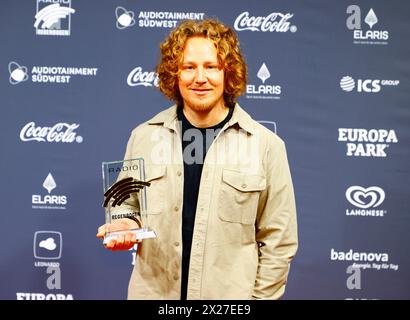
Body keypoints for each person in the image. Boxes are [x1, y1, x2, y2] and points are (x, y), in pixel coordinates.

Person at [97, 18, 298, 300]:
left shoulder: (266, 146)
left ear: (228, 73)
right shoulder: (143, 137)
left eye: (211, 67)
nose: (200, 78)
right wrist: (123, 224)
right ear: (174, 74)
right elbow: (124, 205)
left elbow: (279, 241)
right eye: (189, 67)